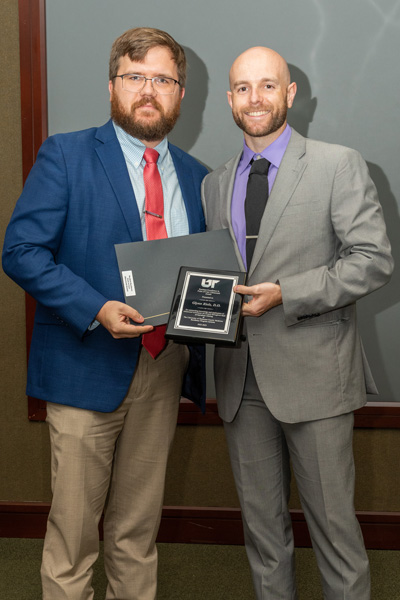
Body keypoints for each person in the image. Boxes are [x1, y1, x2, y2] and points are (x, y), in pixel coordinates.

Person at [3, 27, 207, 600]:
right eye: (135, 76)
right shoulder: (66, 155)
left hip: (163, 367)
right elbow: (19, 252)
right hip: (85, 364)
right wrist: (95, 307)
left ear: (181, 94)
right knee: (73, 537)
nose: (149, 90)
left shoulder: (196, 176)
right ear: (112, 86)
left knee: (137, 532)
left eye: (163, 79)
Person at [202, 46, 393, 600]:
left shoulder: (338, 164)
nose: (254, 98)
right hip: (240, 381)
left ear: (289, 94)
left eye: (267, 86)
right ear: (229, 99)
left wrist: (288, 294)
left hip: (315, 377)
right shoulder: (215, 184)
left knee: (335, 534)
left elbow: (373, 260)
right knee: (263, 538)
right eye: (242, 88)